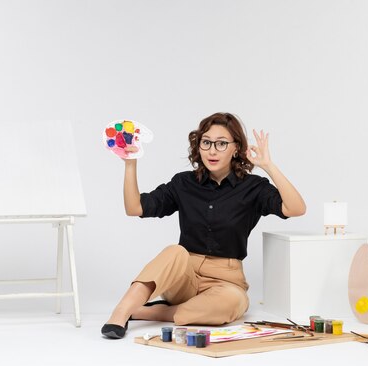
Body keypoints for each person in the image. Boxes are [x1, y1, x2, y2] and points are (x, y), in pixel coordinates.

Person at [101, 112, 306, 339]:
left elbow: (296, 208)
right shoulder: (183, 183)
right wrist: (131, 164)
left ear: (236, 148)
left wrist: (269, 166)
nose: (212, 150)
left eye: (221, 144)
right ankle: (120, 313)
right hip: (184, 275)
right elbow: (135, 208)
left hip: (225, 280)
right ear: (198, 146)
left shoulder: (253, 187)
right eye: (206, 142)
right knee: (174, 251)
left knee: (232, 304)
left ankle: (147, 312)